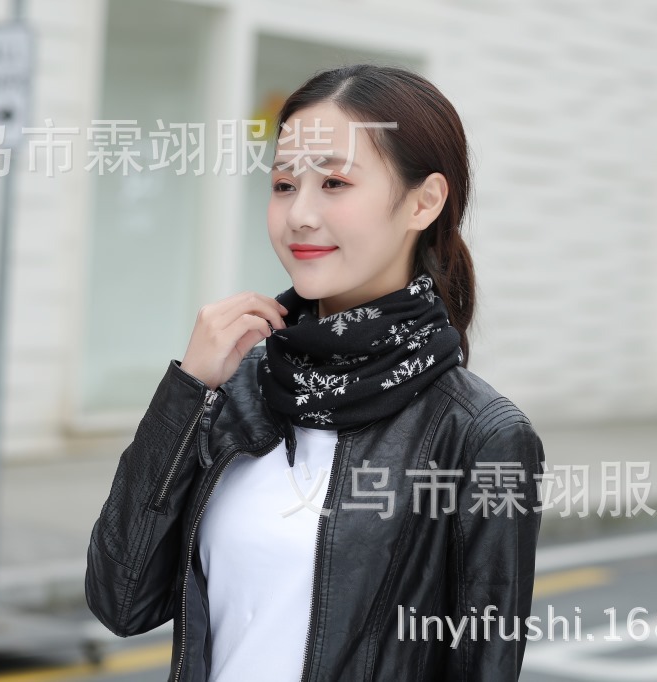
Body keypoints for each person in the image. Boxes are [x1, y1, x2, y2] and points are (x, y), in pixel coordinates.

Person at [85, 63, 546, 682]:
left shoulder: (481, 436)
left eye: (334, 183)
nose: (299, 214)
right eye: (283, 184)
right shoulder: (239, 388)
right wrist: (187, 391)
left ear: (424, 202)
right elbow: (120, 600)